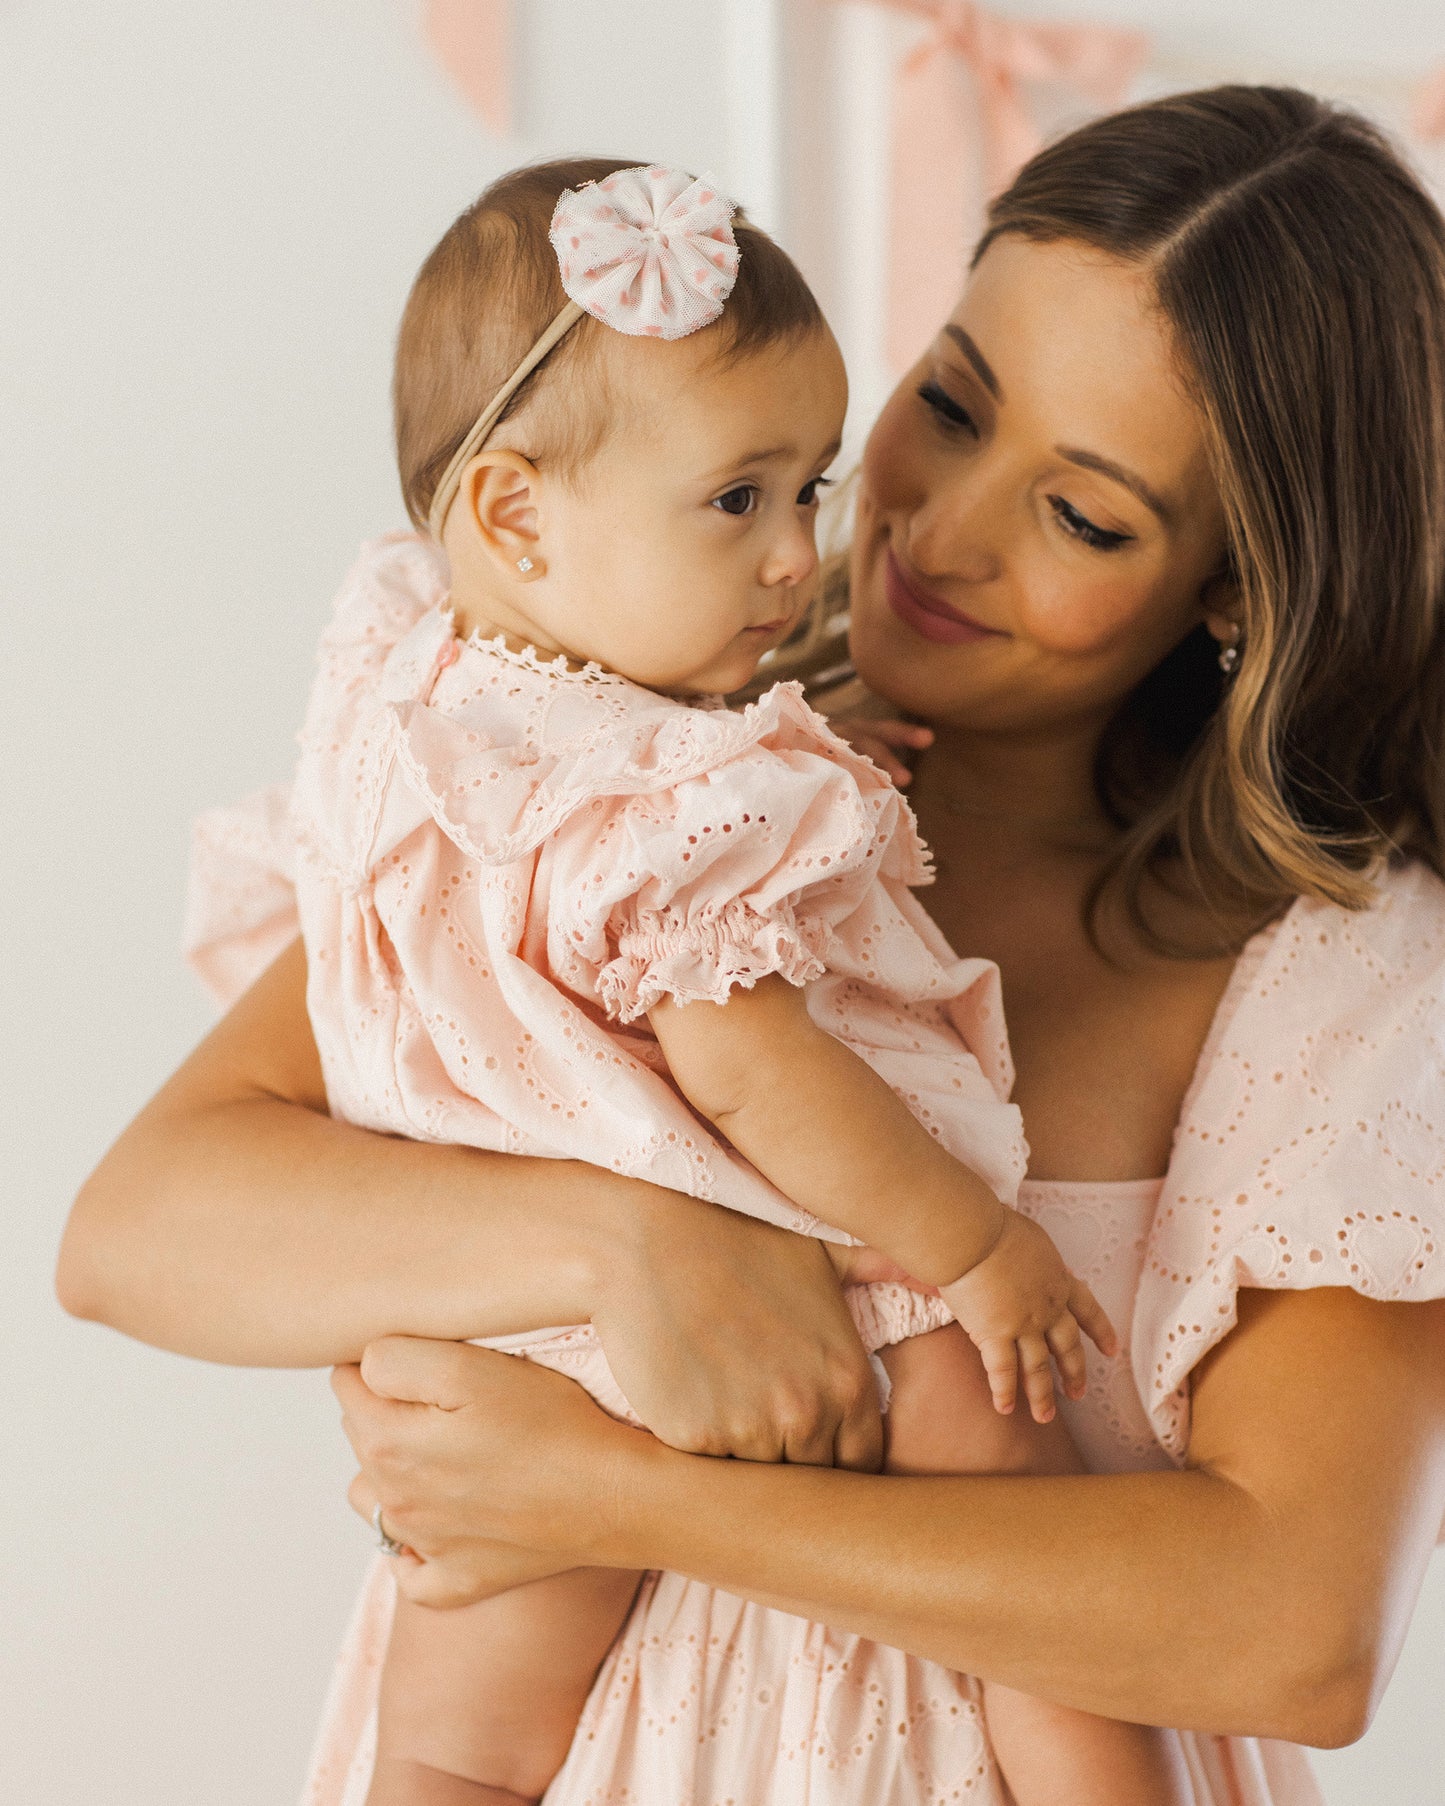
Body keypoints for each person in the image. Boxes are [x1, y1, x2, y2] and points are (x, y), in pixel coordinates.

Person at [58, 86, 1445, 1806]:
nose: (934, 533)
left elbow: (1293, 1631)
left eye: (1083, 516)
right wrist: (635, 1247)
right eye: (948, 402)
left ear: (1238, 587)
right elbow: (138, 1232)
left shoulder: (1324, 967)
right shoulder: (635, 778)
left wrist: (613, 1496)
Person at [238, 152, 1138, 1806]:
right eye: (740, 499)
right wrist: (980, 1248)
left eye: (807, 488)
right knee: (1045, 1594)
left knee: (449, 1743)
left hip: (517, 1352)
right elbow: (751, 1070)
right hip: (793, 1302)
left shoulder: (417, 684)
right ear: (514, 512)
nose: (802, 555)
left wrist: (786, 767)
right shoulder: (667, 812)